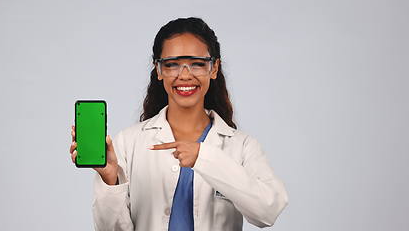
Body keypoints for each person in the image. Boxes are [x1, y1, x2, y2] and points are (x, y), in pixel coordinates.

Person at [69, 17, 288, 231]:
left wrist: (204, 157)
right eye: (172, 64)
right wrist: (110, 180)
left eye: (197, 64)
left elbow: (267, 211)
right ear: (159, 70)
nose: (184, 75)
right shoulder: (128, 142)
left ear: (214, 68)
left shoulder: (241, 146)